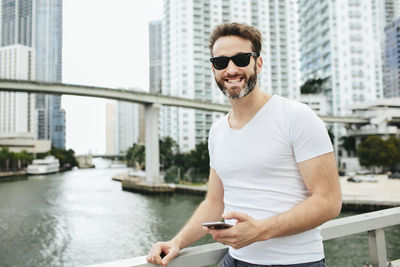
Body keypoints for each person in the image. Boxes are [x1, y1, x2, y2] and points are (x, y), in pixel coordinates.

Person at [147, 22, 342, 267]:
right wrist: (177, 242)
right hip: (235, 260)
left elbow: (329, 202)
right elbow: (214, 202)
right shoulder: (217, 131)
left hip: (295, 263)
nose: (231, 69)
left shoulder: (297, 116)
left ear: (258, 63)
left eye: (240, 59)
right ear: (213, 69)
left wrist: (259, 230)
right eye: (221, 62)